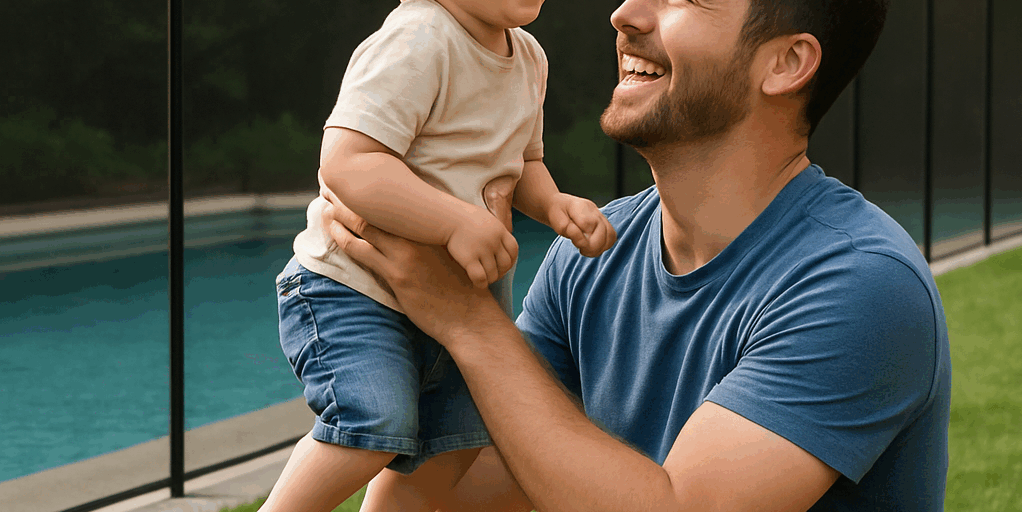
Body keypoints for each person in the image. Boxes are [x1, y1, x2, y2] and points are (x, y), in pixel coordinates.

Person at [321, 0, 953, 510]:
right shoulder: (591, 256)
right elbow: (467, 489)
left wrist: (466, 320)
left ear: (786, 62)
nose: (625, 13)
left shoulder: (859, 283)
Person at [264, 0, 618, 511]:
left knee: (460, 440)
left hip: (457, 301)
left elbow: (522, 161)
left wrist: (554, 204)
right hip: (355, 288)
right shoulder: (420, 38)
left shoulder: (529, 55)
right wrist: (453, 221)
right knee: (371, 422)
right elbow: (349, 159)